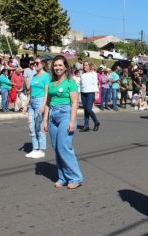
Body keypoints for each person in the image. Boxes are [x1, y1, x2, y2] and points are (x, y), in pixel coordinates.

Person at [43, 55, 83, 189]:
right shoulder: (50, 84)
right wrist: (44, 121)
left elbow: (75, 103)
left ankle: (75, 178)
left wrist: (72, 121)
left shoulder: (70, 83)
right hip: (52, 116)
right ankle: (63, 177)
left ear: (65, 67)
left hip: (65, 115)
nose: (57, 68)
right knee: (56, 148)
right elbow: (48, 103)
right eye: (55, 65)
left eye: (60, 65)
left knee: (64, 147)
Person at [23, 57, 51, 159]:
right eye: (34, 63)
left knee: (39, 127)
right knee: (31, 126)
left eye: (37, 63)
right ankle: (35, 148)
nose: (35, 64)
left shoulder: (46, 76)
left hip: (40, 101)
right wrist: (26, 105)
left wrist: (44, 105)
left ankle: (41, 149)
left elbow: (47, 92)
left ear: (43, 64)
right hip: (32, 102)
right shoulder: (34, 76)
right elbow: (30, 92)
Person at [79, 61, 100, 132]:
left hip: (90, 93)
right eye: (84, 65)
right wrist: (78, 92)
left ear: (89, 66)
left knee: (88, 109)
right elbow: (80, 84)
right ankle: (86, 126)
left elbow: (95, 83)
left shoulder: (93, 74)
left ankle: (96, 122)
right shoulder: (82, 75)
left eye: (86, 65)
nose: (84, 66)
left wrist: (96, 92)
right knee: (86, 110)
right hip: (83, 93)